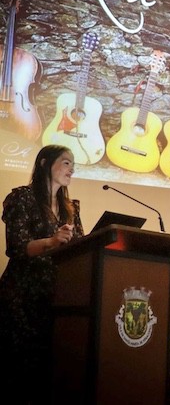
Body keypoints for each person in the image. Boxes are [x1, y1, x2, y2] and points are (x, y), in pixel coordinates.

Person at [0, 145, 84, 403]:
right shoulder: (22, 198)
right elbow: (16, 247)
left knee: (45, 375)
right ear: (46, 163)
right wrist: (52, 241)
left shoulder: (71, 208)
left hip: (55, 299)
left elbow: (80, 248)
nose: (72, 169)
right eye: (66, 162)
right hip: (21, 297)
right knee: (17, 372)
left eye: (73, 164)